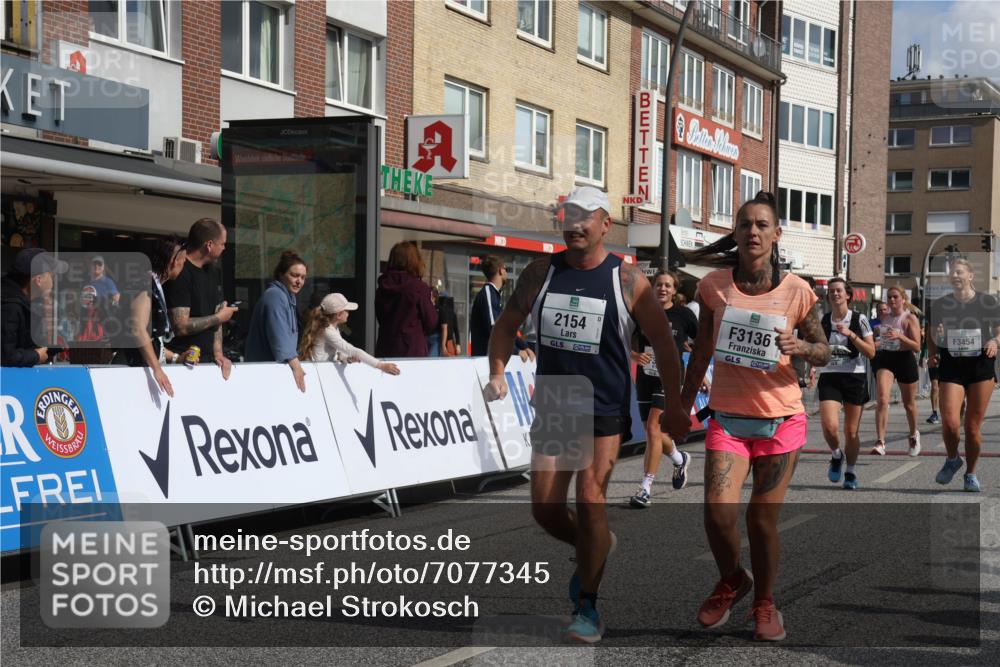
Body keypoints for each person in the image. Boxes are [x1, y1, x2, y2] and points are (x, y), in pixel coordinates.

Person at [483, 186, 691, 643]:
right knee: (544, 509)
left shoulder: (628, 280)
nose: (574, 225)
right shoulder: (541, 273)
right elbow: (505, 327)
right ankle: (596, 544)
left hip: (605, 404)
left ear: (605, 225)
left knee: (590, 497)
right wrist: (498, 371)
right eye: (567, 216)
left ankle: (588, 607)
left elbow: (663, 343)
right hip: (558, 400)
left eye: (585, 217)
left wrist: (675, 402)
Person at [679, 191, 830, 642]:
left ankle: (765, 601)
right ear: (737, 233)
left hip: (781, 420)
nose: (753, 232)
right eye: (745, 225)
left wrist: (801, 348)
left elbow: (822, 348)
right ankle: (732, 578)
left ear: (776, 234)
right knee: (717, 513)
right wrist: (679, 406)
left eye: (762, 225)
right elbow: (702, 350)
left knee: (760, 520)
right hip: (728, 417)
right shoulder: (713, 287)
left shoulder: (797, 290)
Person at [928, 258, 1000, 492]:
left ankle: (970, 473)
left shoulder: (987, 301)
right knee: (949, 422)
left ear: (971, 276)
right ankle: (952, 459)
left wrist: (994, 341)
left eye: (960, 272)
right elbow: (932, 334)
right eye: (952, 273)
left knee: (971, 427)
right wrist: (935, 347)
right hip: (952, 366)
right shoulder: (940, 304)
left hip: (980, 367)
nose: (955, 276)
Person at [629, 270, 696, 507]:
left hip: (670, 378)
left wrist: (701, 372)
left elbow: (702, 341)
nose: (663, 289)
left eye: (668, 285)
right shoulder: (641, 312)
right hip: (646, 376)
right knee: (653, 432)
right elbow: (625, 340)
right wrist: (635, 355)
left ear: (675, 291)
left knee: (653, 429)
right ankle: (679, 458)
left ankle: (645, 488)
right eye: (659, 284)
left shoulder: (684, 314)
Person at [818, 278, 876, 490]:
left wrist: (850, 334)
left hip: (854, 376)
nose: (835, 294)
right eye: (831, 291)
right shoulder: (823, 320)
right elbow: (817, 350)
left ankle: (850, 472)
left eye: (839, 291)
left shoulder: (859, 319)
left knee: (851, 432)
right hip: (829, 376)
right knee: (829, 426)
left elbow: (871, 352)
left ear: (848, 295)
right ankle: (836, 454)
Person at [165, 218, 238, 379]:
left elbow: (218, 312)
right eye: (222, 244)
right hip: (182, 363)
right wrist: (219, 317)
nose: (225, 248)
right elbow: (181, 326)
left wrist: (218, 353)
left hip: (208, 362)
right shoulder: (181, 272)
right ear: (209, 245)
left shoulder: (213, 271)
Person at [114, 237, 188, 396]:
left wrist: (177, 357)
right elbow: (138, 329)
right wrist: (157, 369)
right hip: (131, 369)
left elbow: (154, 339)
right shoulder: (144, 282)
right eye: (183, 261)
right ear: (175, 262)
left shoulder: (154, 285)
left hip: (140, 368)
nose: (183, 266)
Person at [245, 251, 309, 392]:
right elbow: (280, 337)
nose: (299, 281)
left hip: (272, 372)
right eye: (294, 275)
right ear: (281, 274)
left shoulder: (288, 297)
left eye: (303, 277)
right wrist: (297, 366)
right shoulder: (275, 296)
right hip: (263, 374)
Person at [871, 285, 922, 456]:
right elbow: (883, 340)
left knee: (908, 404)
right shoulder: (884, 318)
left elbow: (916, 346)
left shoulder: (909, 319)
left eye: (895, 297)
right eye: (889, 297)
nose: (891, 300)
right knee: (882, 399)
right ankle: (881, 441)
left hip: (905, 360)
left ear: (903, 299)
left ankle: (914, 434)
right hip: (886, 359)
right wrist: (874, 342)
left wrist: (899, 335)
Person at [299, 292, 400, 375]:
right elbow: (352, 350)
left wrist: (347, 359)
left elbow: (334, 354)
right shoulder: (327, 331)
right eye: (346, 310)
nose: (348, 313)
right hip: (317, 375)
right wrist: (381, 366)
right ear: (338, 315)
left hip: (321, 373)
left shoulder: (332, 328)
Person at [1, 248, 65, 367]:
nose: (53, 281)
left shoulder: (18, 302)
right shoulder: (10, 306)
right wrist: (36, 356)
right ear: (38, 280)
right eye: (51, 276)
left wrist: (46, 350)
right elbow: (5, 356)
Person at [374, 241, 438, 358]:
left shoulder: (382, 286)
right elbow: (431, 322)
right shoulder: (419, 287)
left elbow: (380, 317)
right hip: (412, 352)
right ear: (414, 261)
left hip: (385, 348)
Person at [470, 255, 534, 362]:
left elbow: (506, 330)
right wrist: (516, 351)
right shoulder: (488, 293)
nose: (507, 272)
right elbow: (494, 329)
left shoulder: (494, 294)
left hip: (492, 359)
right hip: (485, 361)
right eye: (506, 269)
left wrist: (524, 346)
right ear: (500, 270)